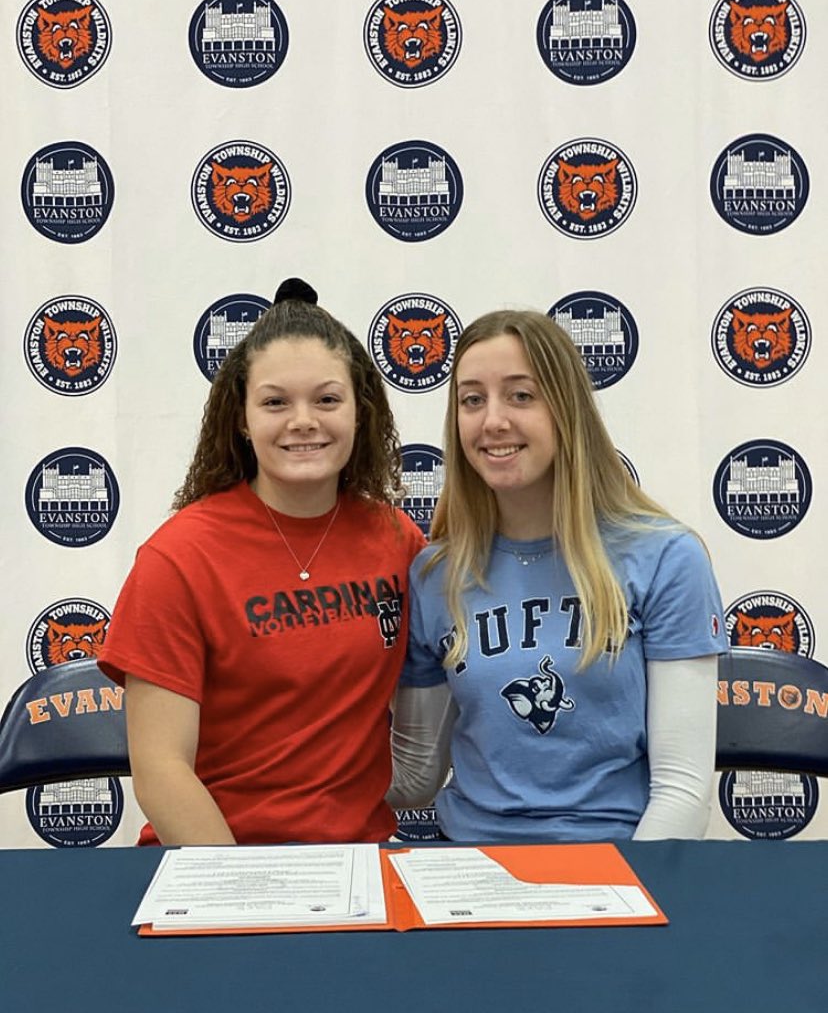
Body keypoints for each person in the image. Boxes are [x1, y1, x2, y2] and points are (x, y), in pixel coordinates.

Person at [99, 278, 425, 846]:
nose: (303, 420)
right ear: (244, 420)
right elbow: (160, 770)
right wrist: (247, 898)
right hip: (217, 868)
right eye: (275, 402)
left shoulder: (397, 540)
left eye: (327, 399)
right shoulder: (177, 559)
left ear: (360, 413)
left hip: (361, 869)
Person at [387, 309, 728, 842]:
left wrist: (625, 901)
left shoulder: (666, 557)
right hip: (470, 871)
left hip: (617, 869)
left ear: (566, 410)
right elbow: (415, 778)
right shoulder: (436, 575)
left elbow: (682, 791)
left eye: (521, 395)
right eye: (472, 399)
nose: (493, 420)